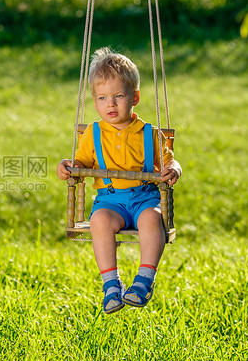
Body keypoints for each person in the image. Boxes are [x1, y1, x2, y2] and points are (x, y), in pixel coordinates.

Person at [56, 47, 182, 314]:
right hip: (111, 201)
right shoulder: (93, 133)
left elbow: (170, 161)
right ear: (95, 101)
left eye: (118, 96)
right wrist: (70, 167)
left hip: (145, 197)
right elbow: (82, 163)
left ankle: (144, 281)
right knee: (99, 221)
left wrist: (174, 170)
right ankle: (111, 285)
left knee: (151, 219)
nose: (110, 104)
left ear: (134, 97)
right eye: (102, 98)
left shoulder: (150, 133)